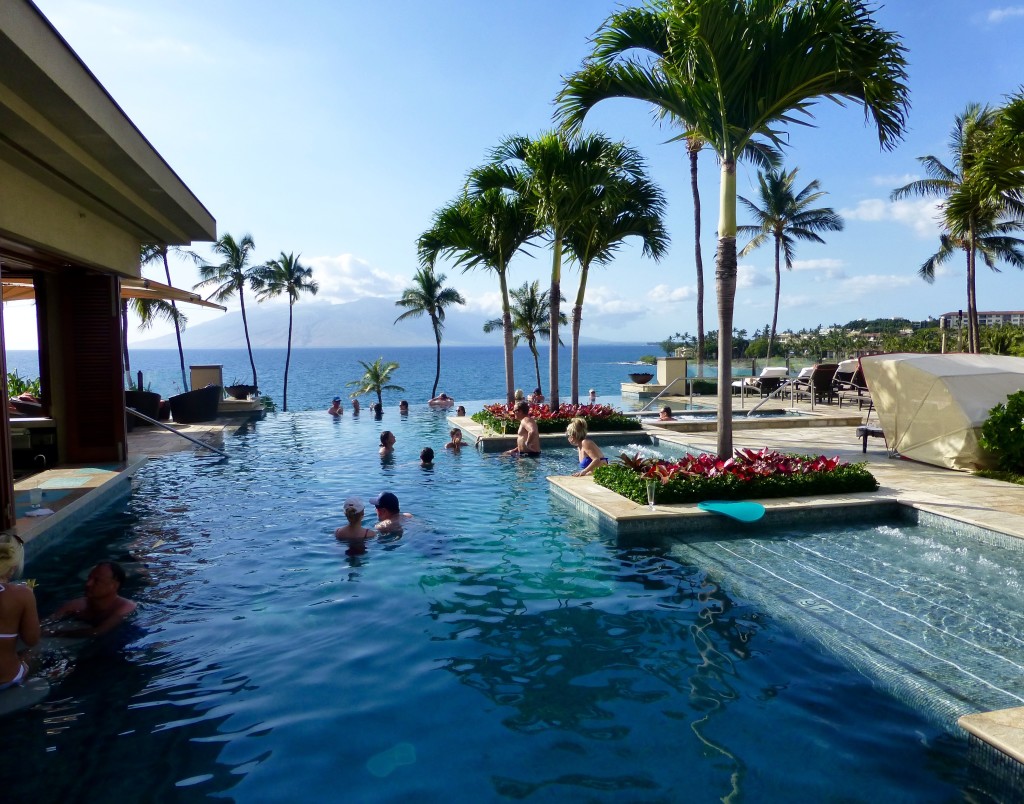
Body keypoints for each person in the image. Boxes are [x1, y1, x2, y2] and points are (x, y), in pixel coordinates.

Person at [47, 561, 136, 638]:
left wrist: (57, 633)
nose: (88, 584)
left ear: (114, 586)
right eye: (89, 578)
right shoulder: (77, 605)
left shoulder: (126, 607)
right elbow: (47, 621)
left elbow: (98, 632)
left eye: (97, 581)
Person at [0, 536, 39, 691]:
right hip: (8, 677)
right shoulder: (22, 595)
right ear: (14, 566)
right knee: (35, 652)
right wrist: (29, 598)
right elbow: (32, 639)